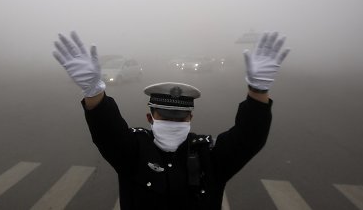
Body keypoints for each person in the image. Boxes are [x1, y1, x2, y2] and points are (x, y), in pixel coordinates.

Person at [53, 31, 290, 210]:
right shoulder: (133, 152)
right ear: (150, 118)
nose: (173, 121)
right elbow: (107, 131)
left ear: (190, 118)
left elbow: (249, 137)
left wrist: (258, 90)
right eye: (166, 116)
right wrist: (93, 91)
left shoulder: (209, 156)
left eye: (179, 117)